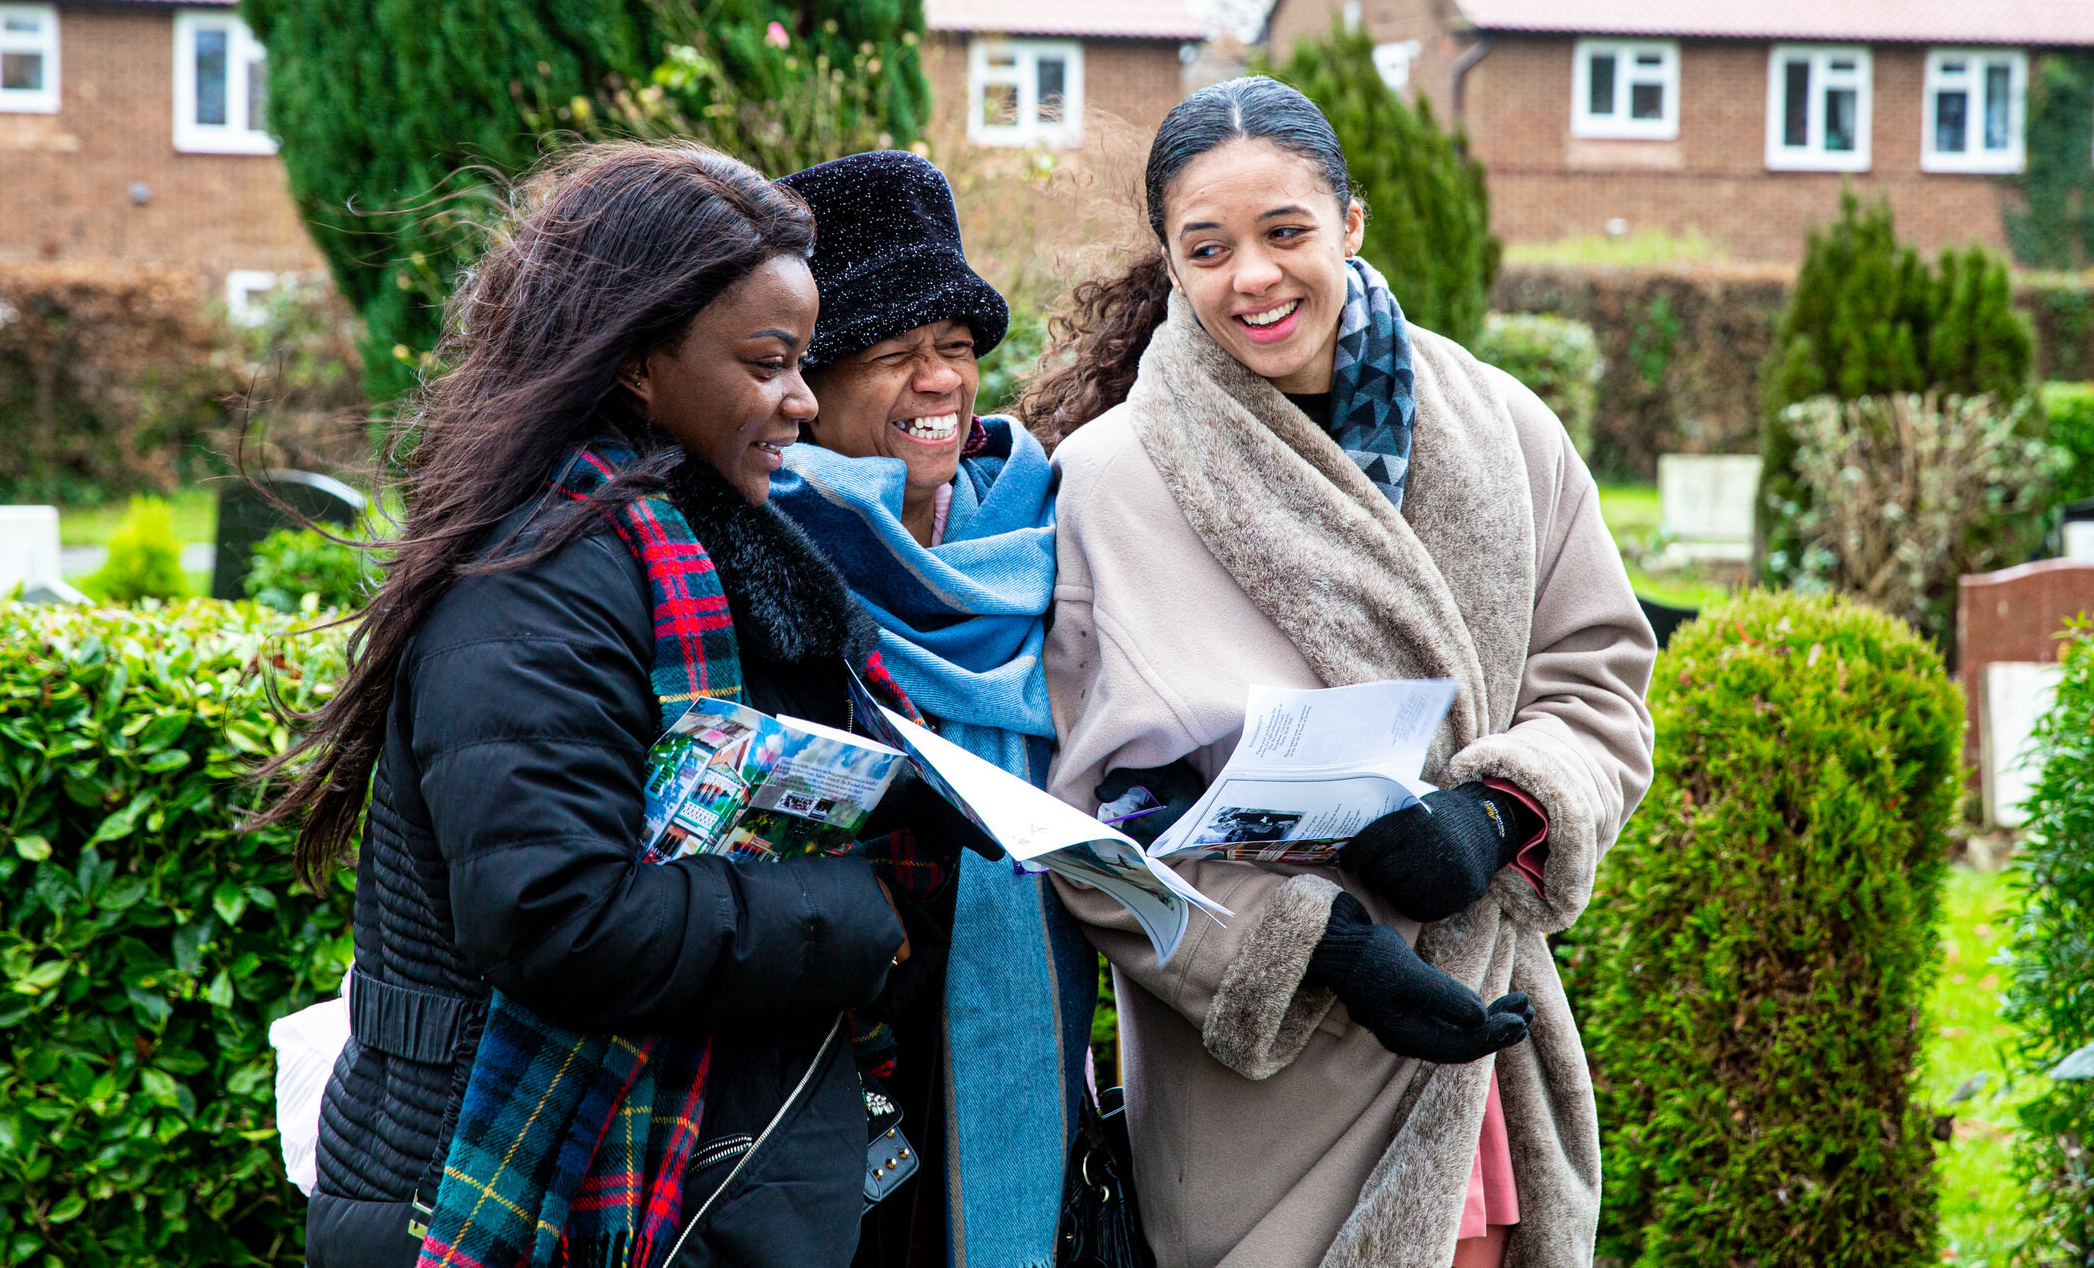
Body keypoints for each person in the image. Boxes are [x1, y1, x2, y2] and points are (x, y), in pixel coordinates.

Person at [254, 143, 976, 1268]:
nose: (798, 399)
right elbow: (554, 914)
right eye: (770, 361)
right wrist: (855, 918)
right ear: (640, 363)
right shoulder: (544, 574)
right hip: (537, 1188)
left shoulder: (703, 542)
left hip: (693, 1185)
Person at [1019, 78, 1656, 1268]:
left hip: (1476, 1028)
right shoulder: (1110, 481)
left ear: (1350, 222)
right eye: (1206, 248)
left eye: (1286, 233)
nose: (1251, 276)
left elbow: (1600, 678)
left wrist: (1496, 811)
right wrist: (1304, 949)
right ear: (1167, 258)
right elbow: (1085, 820)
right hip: (1267, 1074)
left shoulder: (1507, 431)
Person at [764, 150, 1099, 1268]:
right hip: (820, 1066)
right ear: (808, 387)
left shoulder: (1039, 531)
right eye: (894, 354)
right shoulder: (763, 554)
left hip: (1009, 1032)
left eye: (954, 350)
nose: (941, 380)